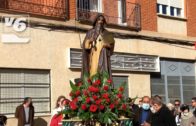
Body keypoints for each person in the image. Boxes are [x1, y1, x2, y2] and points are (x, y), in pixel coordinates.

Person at [81, 14, 115, 78]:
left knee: (103, 72)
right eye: (99, 20)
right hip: (94, 55)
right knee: (93, 70)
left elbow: (111, 46)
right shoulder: (91, 32)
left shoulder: (107, 33)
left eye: (102, 20)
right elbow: (85, 45)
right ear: (96, 21)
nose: (100, 22)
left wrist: (107, 45)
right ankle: (92, 85)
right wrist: (89, 41)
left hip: (103, 56)